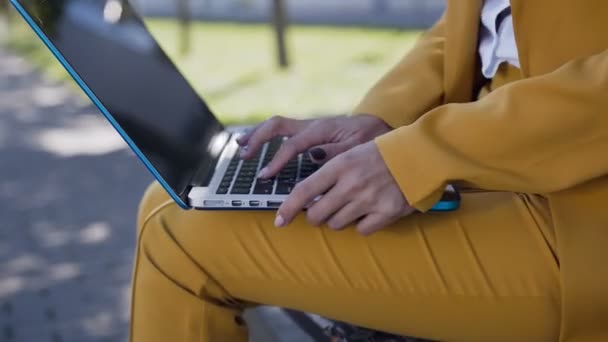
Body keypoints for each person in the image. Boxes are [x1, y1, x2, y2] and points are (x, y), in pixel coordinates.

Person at [129, 0, 608, 341]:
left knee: (179, 239)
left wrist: (423, 155)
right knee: (173, 197)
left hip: (583, 217)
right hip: (497, 162)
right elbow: (471, 23)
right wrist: (380, 121)